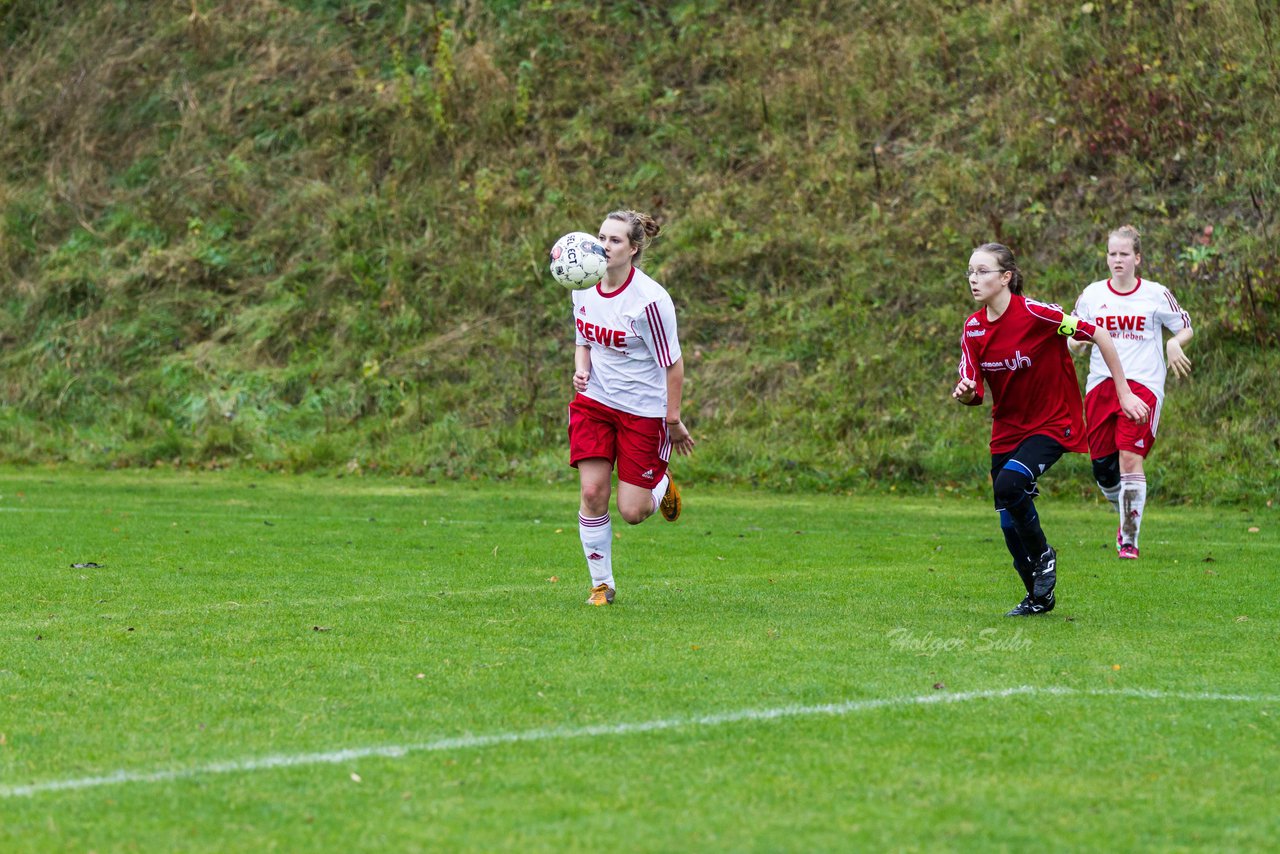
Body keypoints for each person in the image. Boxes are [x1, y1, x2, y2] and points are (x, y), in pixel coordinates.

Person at [952, 243, 1150, 616]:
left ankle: (1045, 554)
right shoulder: (974, 328)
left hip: (1053, 423)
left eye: (982, 272)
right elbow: (973, 387)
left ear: (1006, 277)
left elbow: (1100, 335)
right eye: (970, 272)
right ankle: (1038, 597)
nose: (974, 280)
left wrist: (1124, 392)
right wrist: (965, 393)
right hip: (1007, 430)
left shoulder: (1039, 314)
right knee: (1008, 520)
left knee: (1009, 485)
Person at [568, 209, 695, 606]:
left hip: (643, 410)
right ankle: (601, 584)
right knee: (592, 492)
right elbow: (583, 338)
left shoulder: (651, 301)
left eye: (615, 240)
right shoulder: (582, 285)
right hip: (596, 403)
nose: (603, 245)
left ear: (633, 248)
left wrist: (672, 419)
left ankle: (660, 482)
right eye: (601, 237)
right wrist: (581, 370)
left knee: (633, 512)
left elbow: (673, 364)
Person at [1069, 225, 1193, 559]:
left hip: (1143, 385)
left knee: (1129, 457)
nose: (1118, 259)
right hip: (1101, 385)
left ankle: (1129, 539)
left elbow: (1185, 327)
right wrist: (1075, 342)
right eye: (1112, 253)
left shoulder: (1156, 294)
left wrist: (1174, 344)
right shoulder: (1093, 294)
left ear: (1137, 258)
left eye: (1125, 254)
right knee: (1103, 470)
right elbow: (1072, 332)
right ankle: (1125, 516)